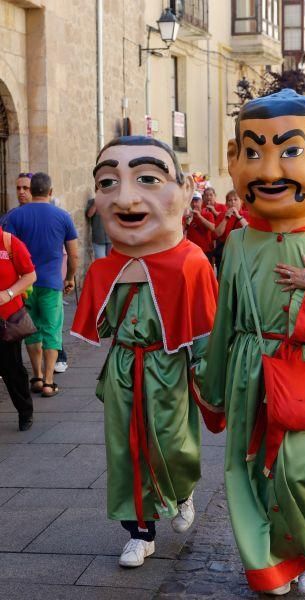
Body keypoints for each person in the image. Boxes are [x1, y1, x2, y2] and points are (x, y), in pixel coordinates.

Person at [200, 90, 305, 595]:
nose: (268, 169)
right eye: (252, 153)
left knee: (304, 474)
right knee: (249, 470)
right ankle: (266, 563)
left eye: (290, 151)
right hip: (251, 370)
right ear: (234, 160)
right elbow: (224, 320)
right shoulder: (236, 241)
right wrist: (213, 388)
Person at [71, 135, 218, 569]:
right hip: (124, 365)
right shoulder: (105, 267)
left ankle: (183, 488)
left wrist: (207, 375)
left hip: (169, 364)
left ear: (182, 190)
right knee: (125, 450)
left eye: (148, 178)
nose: (126, 196)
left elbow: (205, 327)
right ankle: (139, 533)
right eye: (108, 182)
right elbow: (98, 322)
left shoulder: (191, 261)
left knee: (172, 444)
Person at [5, 172, 79, 397]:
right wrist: (70, 278)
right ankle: (48, 382)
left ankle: (36, 376)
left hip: (24, 285)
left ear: (30, 190)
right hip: (51, 283)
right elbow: (73, 255)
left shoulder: (13, 217)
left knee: (32, 331)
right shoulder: (63, 216)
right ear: (50, 192)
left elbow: (5, 252)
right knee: (52, 331)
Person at [0, 227, 37, 430]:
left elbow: (30, 275)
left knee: (11, 368)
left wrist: (9, 293)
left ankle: (25, 412)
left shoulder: (9, 242)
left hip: (7, 318)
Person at [213, 189, 249, 275]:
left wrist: (239, 216)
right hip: (225, 254)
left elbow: (249, 230)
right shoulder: (222, 215)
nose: (233, 202)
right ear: (226, 203)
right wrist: (225, 219)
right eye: (230, 200)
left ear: (241, 202)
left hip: (242, 253)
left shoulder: (247, 214)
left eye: (235, 199)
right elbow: (217, 234)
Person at [183, 191, 215, 262]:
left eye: (196, 201)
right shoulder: (187, 217)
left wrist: (200, 217)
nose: (194, 204)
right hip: (191, 251)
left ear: (201, 202)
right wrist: (186, 223)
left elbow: (213, 228)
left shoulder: (208, 214)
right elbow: (182, 233)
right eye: (192, 202)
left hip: (205, 251)